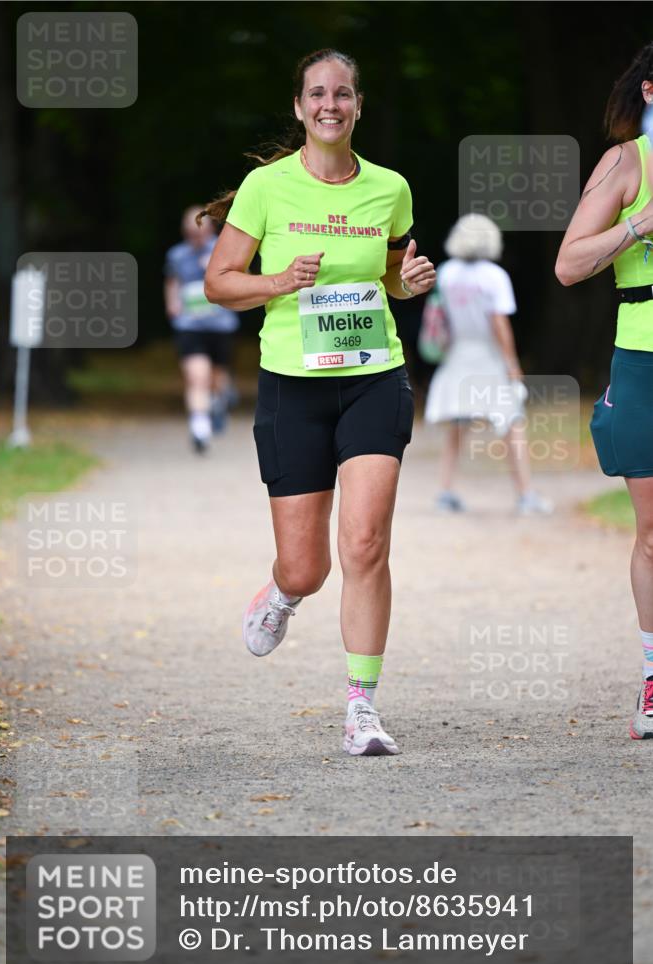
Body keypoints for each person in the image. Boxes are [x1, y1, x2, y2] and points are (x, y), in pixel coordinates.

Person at [201, 49, 435, 756]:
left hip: (373, 376)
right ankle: (282, 594)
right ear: (300, 107)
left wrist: (407, 282)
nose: (330, 105)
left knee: (365, 543)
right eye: (316, 94)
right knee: (307, 566)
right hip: (292, 386)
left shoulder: (390, 189)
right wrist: (278, 282)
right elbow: (218, 282)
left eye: (342, 94)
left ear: (358, 105)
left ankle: (361, 707)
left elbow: (388, 273)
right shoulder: (266, 187)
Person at [555, 41, 653, 740]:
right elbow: (568, 264)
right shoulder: (625, 164)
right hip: (644, 360)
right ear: (649, 92)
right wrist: (638, 225)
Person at [423, 214, 553, 515]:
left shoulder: (446, 272)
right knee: (511, 422)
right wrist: (512, 362)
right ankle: (525, 493)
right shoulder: (494, 276)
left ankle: (445, 490)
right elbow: (499, 323)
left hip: (457, 354)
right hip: (489, 356)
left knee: (457, 425)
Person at [164, 208, 239, 452]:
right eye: (190, 232)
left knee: (217, 378)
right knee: (197, 376)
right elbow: (172, 282)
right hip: (190, 325)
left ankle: (218, 401)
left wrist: (216, 269)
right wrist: (172, 303)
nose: (195, 237)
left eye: (199, 232)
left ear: (210, 230)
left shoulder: (223, 248)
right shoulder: (176, 254)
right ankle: (199, 427)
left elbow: (244, 278)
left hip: (220, 325)